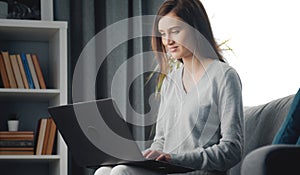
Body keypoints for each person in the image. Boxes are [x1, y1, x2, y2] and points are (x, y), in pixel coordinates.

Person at [94, 0, 244, 174]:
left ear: (197, 29)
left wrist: (174, 158)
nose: (167, 41)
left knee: (121, 172)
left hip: (197, 171)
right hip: (168, 169)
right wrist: (147, 156)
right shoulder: (170, 81)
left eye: (175, 31)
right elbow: (161, 139)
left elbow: (232, 149)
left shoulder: (224, 76)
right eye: (163, 33)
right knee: (104, 171)